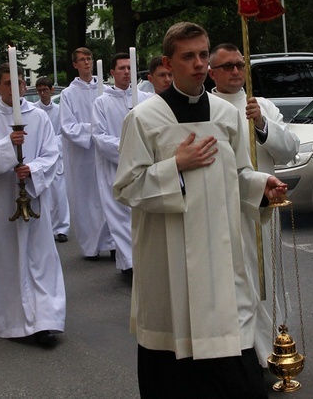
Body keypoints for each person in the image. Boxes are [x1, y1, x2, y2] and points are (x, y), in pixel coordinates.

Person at [113, 22, 287, 397]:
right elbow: (126, 188)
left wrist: (261, 185)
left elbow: (239, 174)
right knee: (178, 373)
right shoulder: (144, 119)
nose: (198, 63)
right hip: (171, 262)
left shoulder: (226, 115)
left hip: (223, 260)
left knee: (238, 375)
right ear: (168, 62)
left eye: (203, 55)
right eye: (187, 56)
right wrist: (174, 165)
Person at [208, 43, 299, 365]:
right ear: (212, 72)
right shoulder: (206, 107)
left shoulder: (260, 106)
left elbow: (289, 150)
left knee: (264, 278)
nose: (235, 71)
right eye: (227, 66)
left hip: (262, 207)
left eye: (240, 65)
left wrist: (261, 124)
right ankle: (241, 349)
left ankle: (271, 344)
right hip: (222, 209)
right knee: (233, 279)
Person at [0, 64, 66, 346]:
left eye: (19, 82)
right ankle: (13, 322)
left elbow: (51, 153)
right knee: (7, 261)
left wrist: (32, 169)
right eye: (7, 83)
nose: (15, 87)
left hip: (34, 200)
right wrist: (7, 145)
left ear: (26, 86)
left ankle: (46, 321)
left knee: (41, 260)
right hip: (1, 203)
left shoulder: (38, 117)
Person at [93, 53, 151, 275]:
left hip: (143, 164)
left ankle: (142, 260)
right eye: (122, 68)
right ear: (112, 73)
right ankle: (130, 264)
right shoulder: (102, 102)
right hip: (114, 167)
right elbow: (98, 136)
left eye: (130, 68)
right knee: (120, 215)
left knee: (141, 214)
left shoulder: (146, 99)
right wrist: (128, 148)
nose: (127, 72)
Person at [60, 47, 113, 260]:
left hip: (103, 152)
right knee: (86, 200)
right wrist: (94, 130)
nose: (86, 62)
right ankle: (90, 246)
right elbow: (67, 126)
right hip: (83, 155)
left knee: (106, 197)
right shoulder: (68, 94)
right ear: (75, 65)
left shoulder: (104, 90)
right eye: (81, 60)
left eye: (89, 58)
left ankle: (112, 243)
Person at [33, 76, 70, 243]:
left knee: (60, 193)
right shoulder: (34, 111)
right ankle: (46, 228)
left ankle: (62, 227)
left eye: (45, 90)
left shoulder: (58, 110)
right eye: (39, 90)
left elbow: (64, 133)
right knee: (43, 193)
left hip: (56, 156)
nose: (42, 93)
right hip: (40, 155)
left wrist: (52, 143)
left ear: (51, 90)